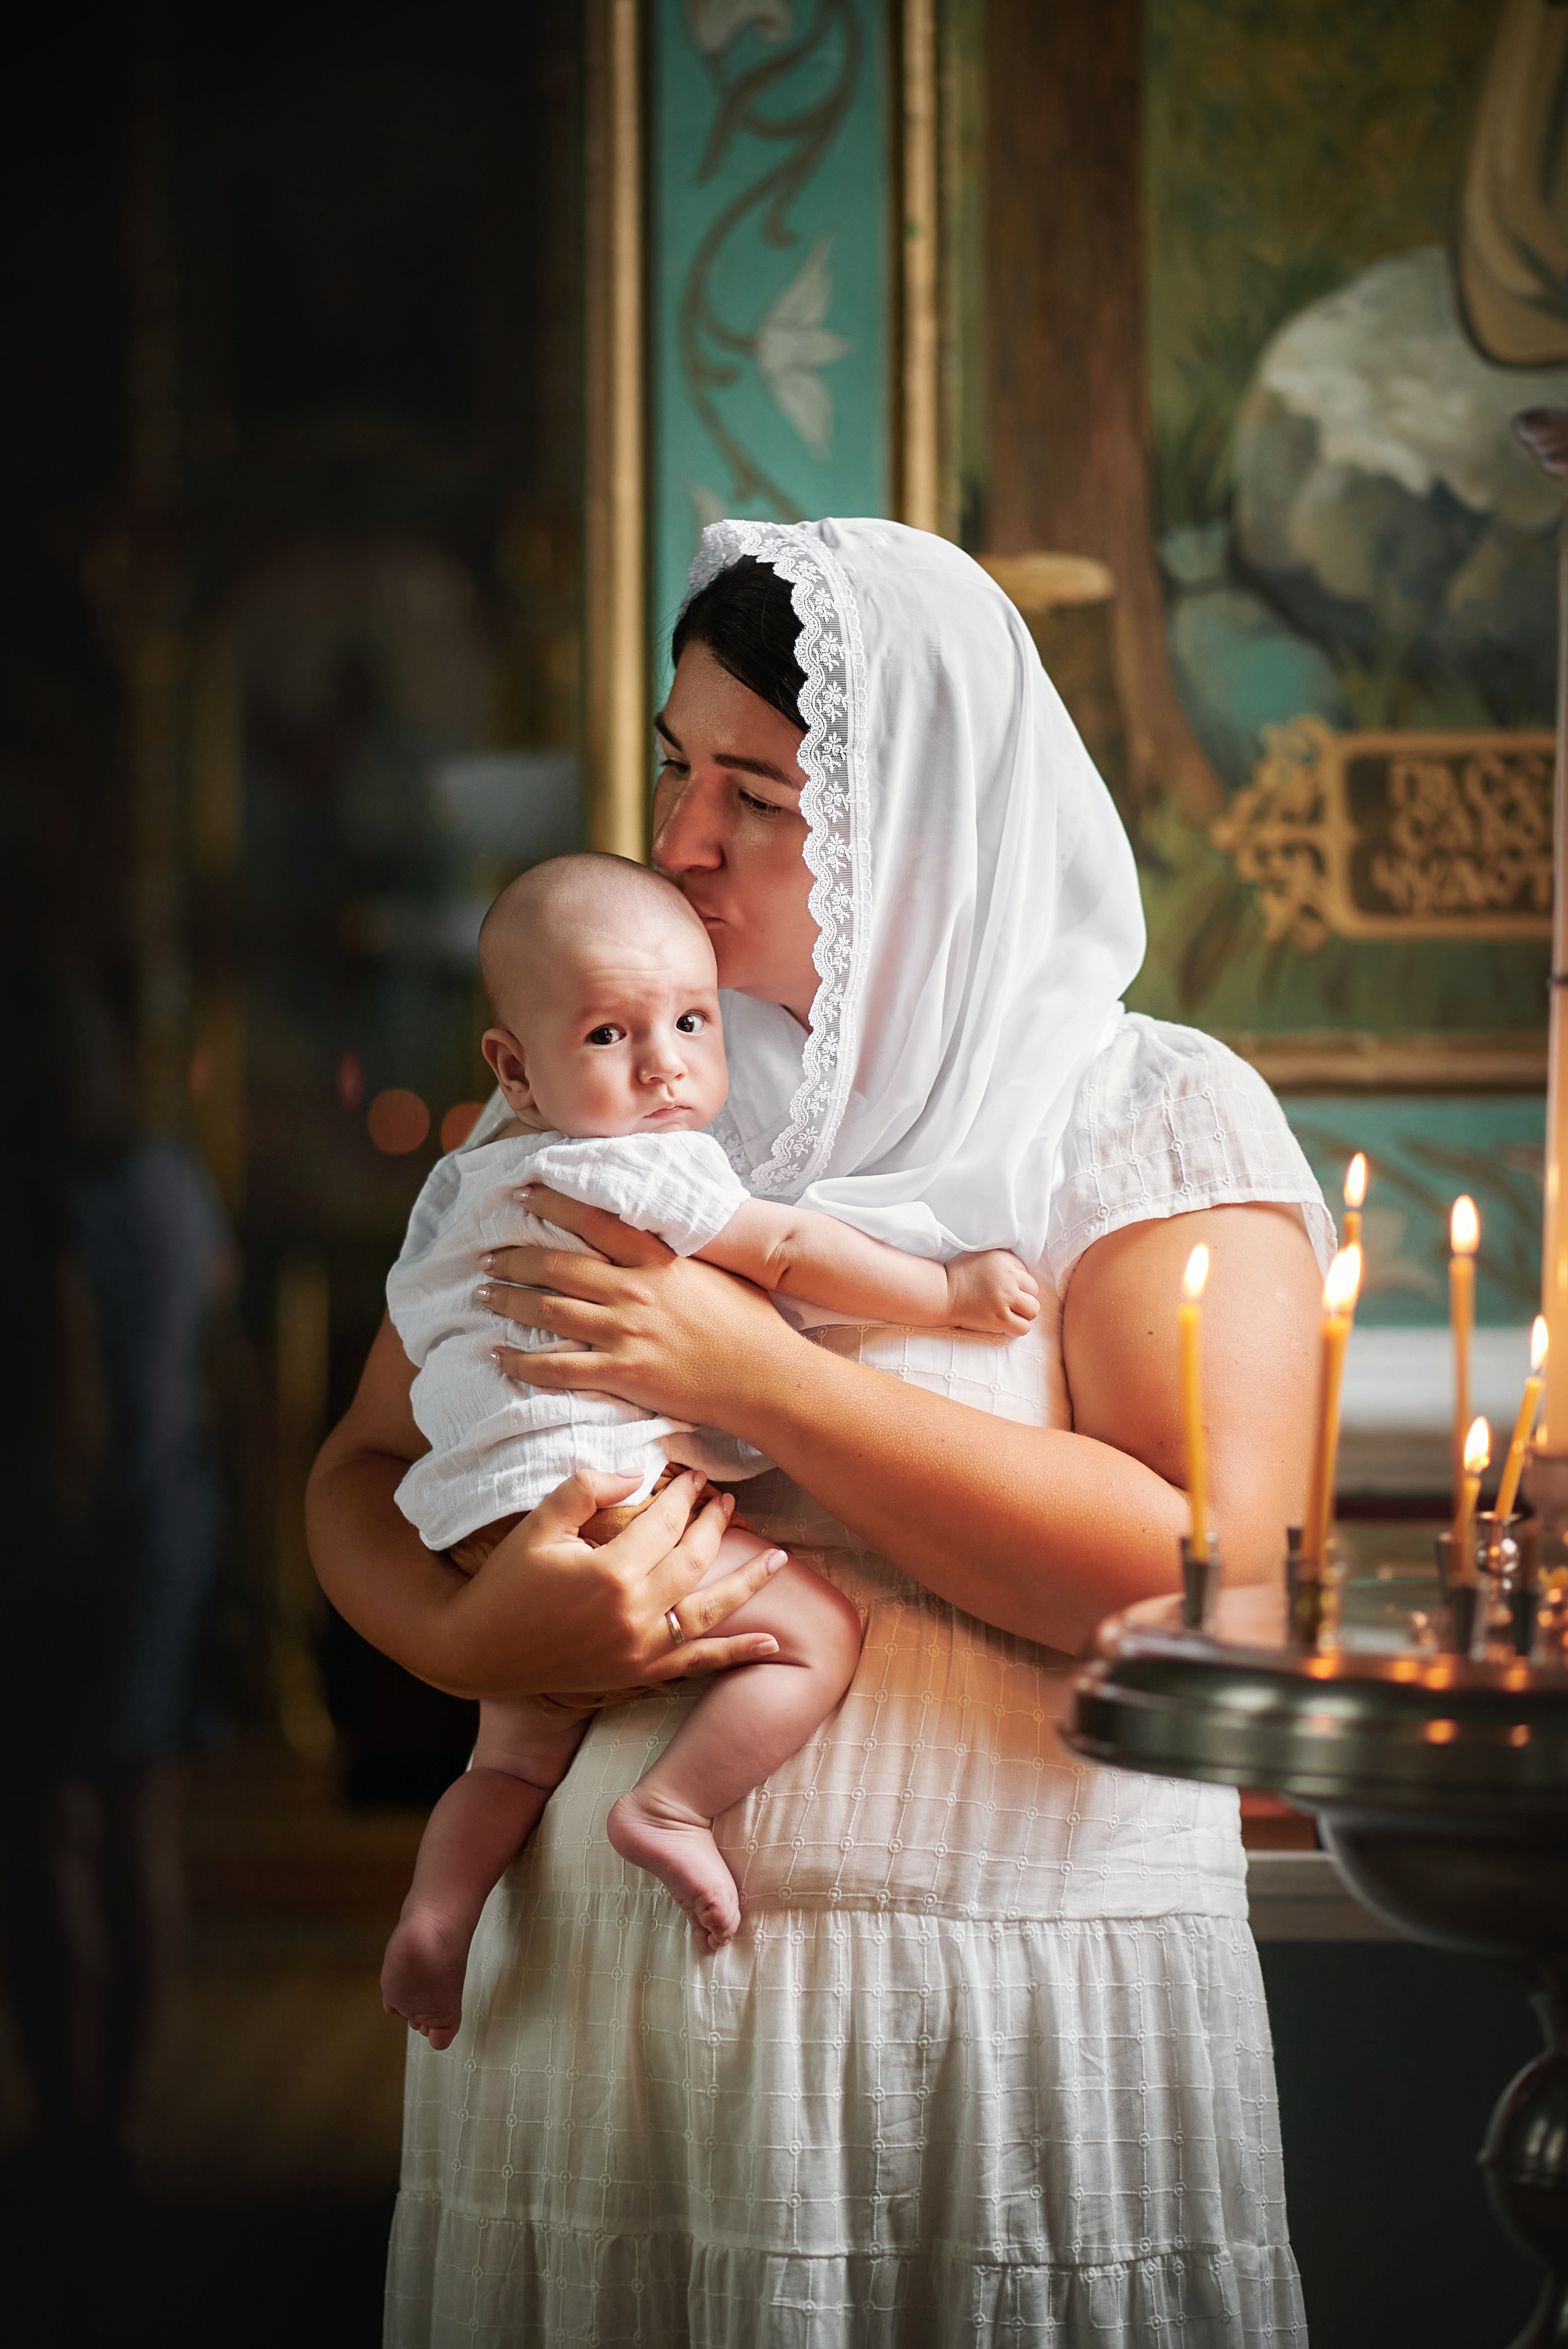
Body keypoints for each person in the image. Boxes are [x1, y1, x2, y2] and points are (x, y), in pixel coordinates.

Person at [308, 520, 1330, 2343]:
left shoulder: (1148, 1114)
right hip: (593, 2028)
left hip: (1000, 2035)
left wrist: (762, 1374)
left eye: (759, 795)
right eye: (672, 767)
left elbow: (1213, 1579)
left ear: (922, 822)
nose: (682, 842)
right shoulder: (603, 1085)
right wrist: (472, 1639)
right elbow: (361, 1476)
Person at [380, 851, 1036, 2040]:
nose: (664, 1064)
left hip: (492, 1529)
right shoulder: (635, 1163)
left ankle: (435, 1918)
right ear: (513, 1068)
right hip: (609, 1508)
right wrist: (944, 1299)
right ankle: (672, 1809)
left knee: (514, 1758)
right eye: (608, 1035)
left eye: (689, 1019)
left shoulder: (468, 1178)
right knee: (816, 1637)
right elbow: (782, 1252)